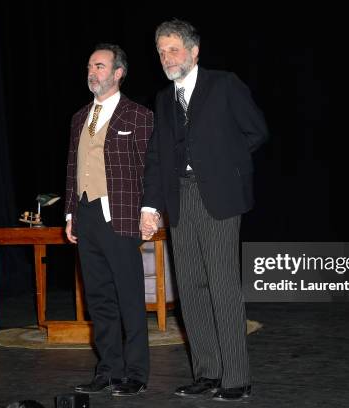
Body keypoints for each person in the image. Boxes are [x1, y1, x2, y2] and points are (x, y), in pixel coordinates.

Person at [140, 19, 269, 401]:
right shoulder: (164, 99)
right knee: (191, 289)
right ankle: (208, 373)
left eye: (173, 49)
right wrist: (150, 205)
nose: (166, 57)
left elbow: (256, 131)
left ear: (194, 52)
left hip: (219, 198)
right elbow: (156, 156)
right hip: (179, 199)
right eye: (161, 51)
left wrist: (223, 167)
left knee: (222, 285)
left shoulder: (224, 84)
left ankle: (236, 378)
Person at [64, 43, 152, 397]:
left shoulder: (137, 115)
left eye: (99, 66)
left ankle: (136, 372)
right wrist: (70, 213)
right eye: (90, 66)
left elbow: (151, 169)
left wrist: (151, 211)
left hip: (120, 215)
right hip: (86, 215)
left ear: (118, 73)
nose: (92, 72)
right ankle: (108, 369)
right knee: (98, 297)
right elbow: (73, 167)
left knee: (129, 296)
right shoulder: (79, 117)